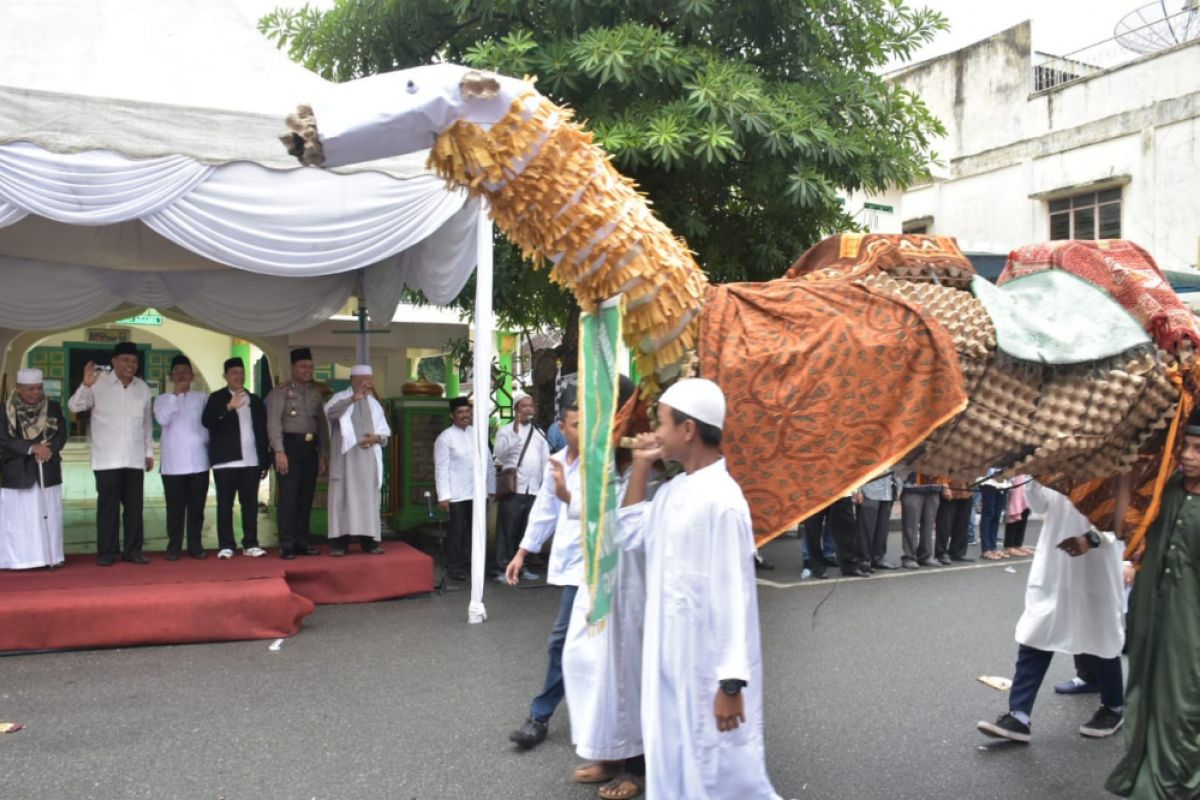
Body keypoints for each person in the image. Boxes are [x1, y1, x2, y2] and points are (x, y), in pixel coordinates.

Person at [618, 378, 782, 799]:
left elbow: (734, 600)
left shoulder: (723, 502)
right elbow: (629, 532)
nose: (655, 431)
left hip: (708, 669)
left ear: (688, 430)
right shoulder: (674, 491)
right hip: (669, 658)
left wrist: (731, 685)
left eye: (663, 422)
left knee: (720, 769)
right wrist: (639, 465)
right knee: (673, 757)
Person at [976, 480, 1125, 744]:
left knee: (1099, 636)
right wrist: (1034, 475)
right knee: (1036, 633)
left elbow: (1126, 517)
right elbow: (1038, 504)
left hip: (1095, 567)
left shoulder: (1113, 465)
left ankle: (1113, 707)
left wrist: (1092, 539)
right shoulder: (1055, 464)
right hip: (1054, 566)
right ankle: (1019, 716)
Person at [1106, 412, 1200, 798]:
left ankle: (1176, 780)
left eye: (1199, 449)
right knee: (1144, 688)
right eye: (1187, 446)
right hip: (1150, 609)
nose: (1189, 455)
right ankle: (1141, 768)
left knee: (1182, 697)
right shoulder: (1166, 488)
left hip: (1190, 619)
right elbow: (1121, 527)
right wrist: (1127, 475)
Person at [505, 402, 583, 750]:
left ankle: (540, 715)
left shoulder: (605, 461)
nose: (583, 429)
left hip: (600, 566)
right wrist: (522, 553)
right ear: (561, 428)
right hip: (572, 566)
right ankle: (547, 716)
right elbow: (544, 511)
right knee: (566, 643)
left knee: (564, 641)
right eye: (576, 424)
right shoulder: (558, 461)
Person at [67, 342, 154, 566]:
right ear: (114, 362)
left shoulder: (143, 388)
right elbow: (75, 406)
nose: (130, 365)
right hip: (107, 458)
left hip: (134, 459)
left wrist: (149, 451)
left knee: (135, 508)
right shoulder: (98, 383)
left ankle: (133, 551)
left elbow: (146, 425)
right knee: (108, 508)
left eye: (134, 361)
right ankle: (107, 551)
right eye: (125, 360)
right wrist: (85, 385)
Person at [0, 368, 67, 569]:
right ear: (19, 388)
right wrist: (31, 447)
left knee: (47, 516)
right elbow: (4, 439)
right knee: (19, 518)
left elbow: (61, 435)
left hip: (45, 468)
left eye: (38, 388)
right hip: (17, 471)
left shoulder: (53, 408)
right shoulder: (5, 410)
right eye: (30, 389)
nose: (35, 393)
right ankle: (18, 559)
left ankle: (49, 557)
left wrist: (48, 450)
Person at [203, 357, 269, 559]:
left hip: (251, 461)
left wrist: (264, 460)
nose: (238, 377)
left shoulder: (255, 400)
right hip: (226, 461)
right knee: (225, 504)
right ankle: (226, 545)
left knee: (249, 504)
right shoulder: (216, 398)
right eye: (234, 373)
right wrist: (228, 408)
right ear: (225, 376)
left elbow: (262, 432)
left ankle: (251, 543)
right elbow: (207, 421)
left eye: (241, 373)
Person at [266, 347, 328, 560]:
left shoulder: (315, 392)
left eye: (310, 367)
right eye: (303, 366)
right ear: (293, 367)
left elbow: (321, 424)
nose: (307, 370)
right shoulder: (281, 391)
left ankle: (302, 542)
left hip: (309, 449)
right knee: (289, 498)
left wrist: (322, 453)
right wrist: (279, 451)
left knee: (305, 498)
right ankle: (287, 544)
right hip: (289, 448)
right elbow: (273, 422)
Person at [325, 365, 391, 556]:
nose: (367, 384)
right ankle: (339, 543)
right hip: (346, 460)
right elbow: (329, 414)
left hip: (368, 460)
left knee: (368, 501)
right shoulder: (340, 398)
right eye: (363, 380)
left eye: (370, 379)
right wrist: (353, 399)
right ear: (353, 380)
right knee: (342, 500)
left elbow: (385, 433)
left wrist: (376, 438)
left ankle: (369, 542)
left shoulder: (375, 404)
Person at [153, 354, 210, 560]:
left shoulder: (202, 398)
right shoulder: (161, 400)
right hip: (173, 465)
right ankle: (174, 546)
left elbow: (210, 425)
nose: (181, 375)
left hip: (199, 462)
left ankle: (196, 545)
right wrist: (174, 395)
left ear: (192, 375)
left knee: (197, 509)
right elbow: (163, 419)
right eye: (177, 372)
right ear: (171, 376)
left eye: (185, 371)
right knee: (175, 510)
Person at [493, 391, 548, 582]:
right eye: (524, 406)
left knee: (526, 530)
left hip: (533, 489)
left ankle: (521, 566)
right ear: (516, 409)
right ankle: (501, 568)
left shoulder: (539, 433)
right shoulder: (506, 431)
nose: (528, 409)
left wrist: (544, 486)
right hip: (514, 487)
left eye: (530, 406)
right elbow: (499, 454)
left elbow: (545, 461)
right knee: (507, 530)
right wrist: (515, 433)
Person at [434, 396, 480, 581]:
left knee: (475, 532)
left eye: (467, 412)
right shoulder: (445, 438)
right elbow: (441, 468)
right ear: (452, 416)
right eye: (460, 412)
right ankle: (455, 567)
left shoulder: (476, 433)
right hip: (456, 494)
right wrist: (443, 496)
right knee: (456, 533)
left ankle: (473, 564)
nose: (465, 415)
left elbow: (486, 461)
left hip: (476, 492)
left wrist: (490, 487)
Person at [804, 495, 870, 578]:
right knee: (813, 528)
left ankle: (849, 566)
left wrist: (857, 489)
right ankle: (817, 567)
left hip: (841, 490)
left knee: (847, 526)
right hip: (814, 491)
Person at [856, 470, 900, 570]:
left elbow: (897, 467)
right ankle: (863, 560)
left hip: (888, 491)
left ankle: (878, 558)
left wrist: (898, 487)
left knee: (882, 529)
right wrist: (857, 490)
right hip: (869, 491)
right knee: (866, 529)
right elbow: (857, 467)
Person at [900, 471, 943, 568]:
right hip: (913, 487)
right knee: (911, 525)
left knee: (929, 525)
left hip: (933, 487)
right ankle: (909, 557)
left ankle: (926, 555)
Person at [934, 477, 974, 565]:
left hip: (965, 489)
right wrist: (944, 485)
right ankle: (941, 553)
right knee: (945, 524)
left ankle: (957, 552)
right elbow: (941, 469)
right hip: (950, 489)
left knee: (962, 523)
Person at [1003, 478, 1032, 557]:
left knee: (1025, 510)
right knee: (1014, 511)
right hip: (1017, 477)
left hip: (1026, 478)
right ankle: (1009, 545)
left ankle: (1018, 544)